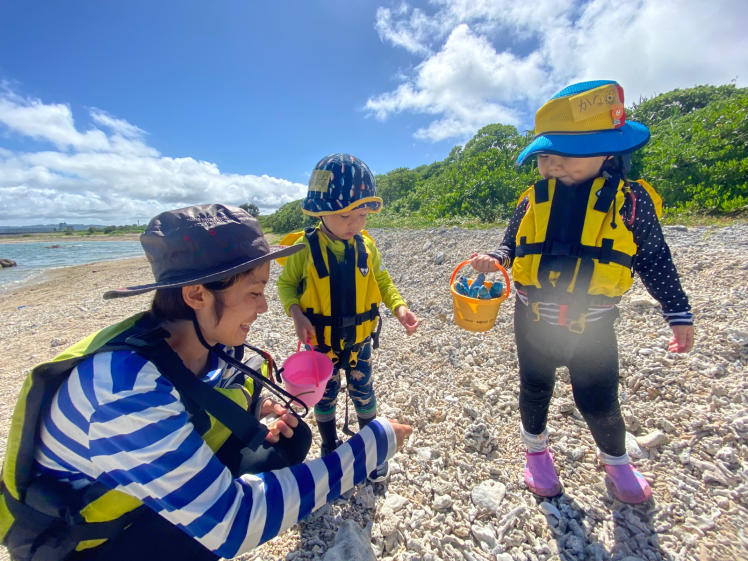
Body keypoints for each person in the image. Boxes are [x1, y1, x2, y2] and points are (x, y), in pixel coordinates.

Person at [0, 203, 413, 561]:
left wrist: (258, 408)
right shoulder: (123, 388)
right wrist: (369, 447)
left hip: (137, 493)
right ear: (196, 294)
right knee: (224, 517)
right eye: (254, 292)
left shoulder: (196, 339)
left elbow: (204, 392)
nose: (266, 305)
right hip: (85, 543)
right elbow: (233, 526)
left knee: (289, 441)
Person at [469, 81, 694, 504]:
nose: (550, 164)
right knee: (534, 387)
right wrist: (494, 258)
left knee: (599, 398)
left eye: (562, 155)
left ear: (607, 149)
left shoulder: (631, 202)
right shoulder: (531, 200)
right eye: (543, 157)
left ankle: (616, 460)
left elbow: (655, 258)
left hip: (592, 325)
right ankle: (535, 453)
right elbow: (511, 244)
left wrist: (677, 311)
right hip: (532, 317)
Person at [277, 153, 419, 482]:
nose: (354, 224)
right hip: (320, 344)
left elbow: (383, 282)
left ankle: (372, 448)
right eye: (344, 216)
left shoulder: (366, 245)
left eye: (362, 215)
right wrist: (296, 313)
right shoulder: (304, 248)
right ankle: (329, 444)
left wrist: (399, 307)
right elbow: (285, 286)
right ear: (319, 211)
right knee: (325, 396)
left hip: (359, 340)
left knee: (363, 391)